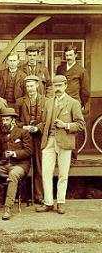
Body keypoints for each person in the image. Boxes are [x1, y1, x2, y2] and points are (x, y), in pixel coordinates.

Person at [36, 75, 85, 214]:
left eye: (60, 86)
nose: (57, 89)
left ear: (65, 86)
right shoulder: (48, 103)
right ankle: (48, 203)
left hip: (64, 141)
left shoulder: (73, 103)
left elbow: (81, 125)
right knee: (46, 173)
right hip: (49, 141)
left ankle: (61, 202)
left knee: (63, 173)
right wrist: (36, 128)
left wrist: (66, 125)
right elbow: (45, 122)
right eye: (55, 86)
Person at [0, 108, 33, 220]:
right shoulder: (1, 135)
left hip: (20, 165)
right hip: (4, 166)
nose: (4, 123)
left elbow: (29, 151)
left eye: (7, 120)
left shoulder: (23, 132)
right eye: (3, 120)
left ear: (13, 120)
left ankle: (7, 208)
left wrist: (14, 153)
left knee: (13, 175)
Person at [16, 75, 47, 205]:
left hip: (39, 137)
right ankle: (22, 195)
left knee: (39, 166)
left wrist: (38, 127)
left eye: (31, 85)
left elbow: (47, 120)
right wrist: (24, 127)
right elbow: (16, 121)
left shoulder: (46, 101)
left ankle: (39, 195)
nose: (29, 88)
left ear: (37, 86)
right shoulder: (20, 102)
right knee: (23, 166)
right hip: (25, 138)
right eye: (27, 86)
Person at [56, 45, 89, 110]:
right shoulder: (60, 68)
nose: (68, 58)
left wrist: (82, 103)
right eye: (67, 55)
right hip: (61, 101)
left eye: (71, 55)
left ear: (76, 55)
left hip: (74, 101)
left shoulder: (81, 70)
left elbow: (85, 90)